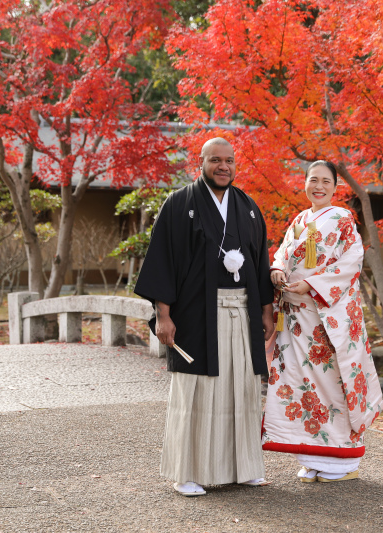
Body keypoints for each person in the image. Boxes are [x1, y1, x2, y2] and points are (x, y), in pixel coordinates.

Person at [134, 137, 275, 497]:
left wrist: (266, 310)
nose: (223, 166)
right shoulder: (180, 204)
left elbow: (259, 261)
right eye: (215, 160)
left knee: (241, 390)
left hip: (240, 312)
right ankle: (187, 472)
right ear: (200, 162)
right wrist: (162, 315)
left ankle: (243, 468)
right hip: (197, 314)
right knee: (197, 391)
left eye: (229, 160)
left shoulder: (248, 207)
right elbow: (163, 260)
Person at [262, 160, 383, 482]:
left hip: (325, 316)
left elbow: (351, 261)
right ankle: (313, 455)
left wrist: (312, 285)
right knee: (301, 385)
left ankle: (341, 460)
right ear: (304, 183)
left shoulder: (343, 218)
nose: (319, 186)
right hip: (296, 318)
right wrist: (276, 270)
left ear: (335, 187)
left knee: (332, 382)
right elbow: (283, 254)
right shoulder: (300, 219)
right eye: (313, 180)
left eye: (326, 182)